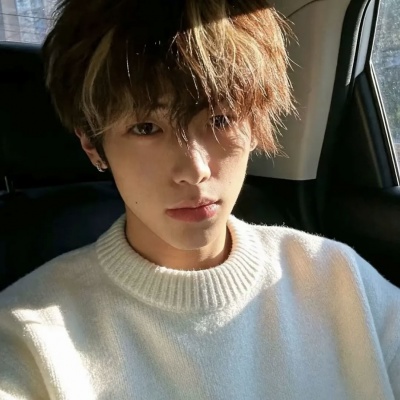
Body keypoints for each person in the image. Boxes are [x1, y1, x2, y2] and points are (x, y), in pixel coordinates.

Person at [0, 0, 399, 398]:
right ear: (92, 144)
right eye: (145, 128)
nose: (194, 169)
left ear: (255, 122)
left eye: (220, 120)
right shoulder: (30, 336)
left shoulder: (339, 278)